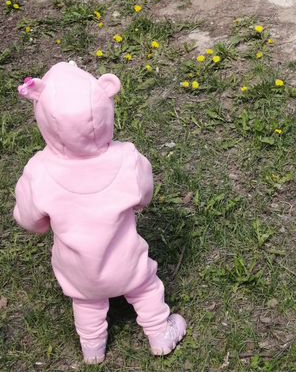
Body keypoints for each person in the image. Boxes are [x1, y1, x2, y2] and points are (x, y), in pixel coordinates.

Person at [14, 61, 186, 364]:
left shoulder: (38, 172)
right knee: (146, 288)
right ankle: (160, 333)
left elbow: (29, 218)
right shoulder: (127, 158)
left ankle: (92, 350)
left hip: (79, 271)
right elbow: (143, 195)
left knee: (88, 304)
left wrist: (43, 224)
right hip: (127, 261)